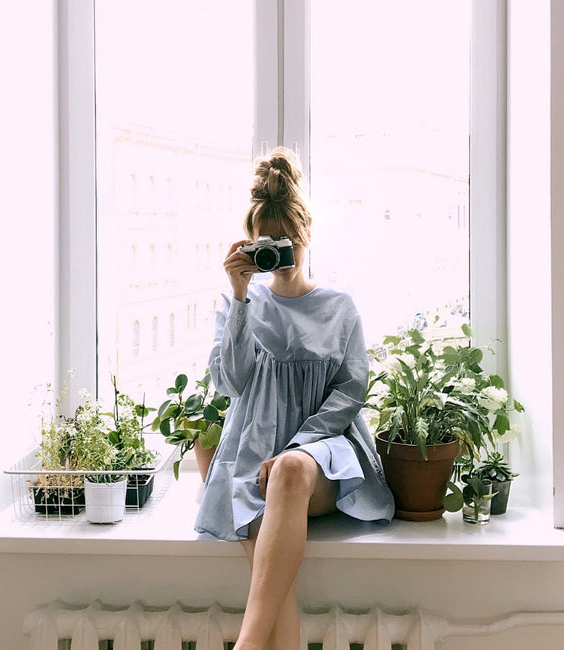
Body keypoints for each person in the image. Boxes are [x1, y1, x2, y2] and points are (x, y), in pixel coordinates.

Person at [194, 147, 395, 650]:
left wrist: (296, 446)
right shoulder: (241, 302)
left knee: (285, 473)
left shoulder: (338, 307)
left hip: (323, 455)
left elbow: (350, 392)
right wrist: (239, 294)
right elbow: (230, 383)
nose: (279, 254)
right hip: (251, 457)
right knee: (274, 586)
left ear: (305, 236)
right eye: (267, 243)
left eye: (287, 241)